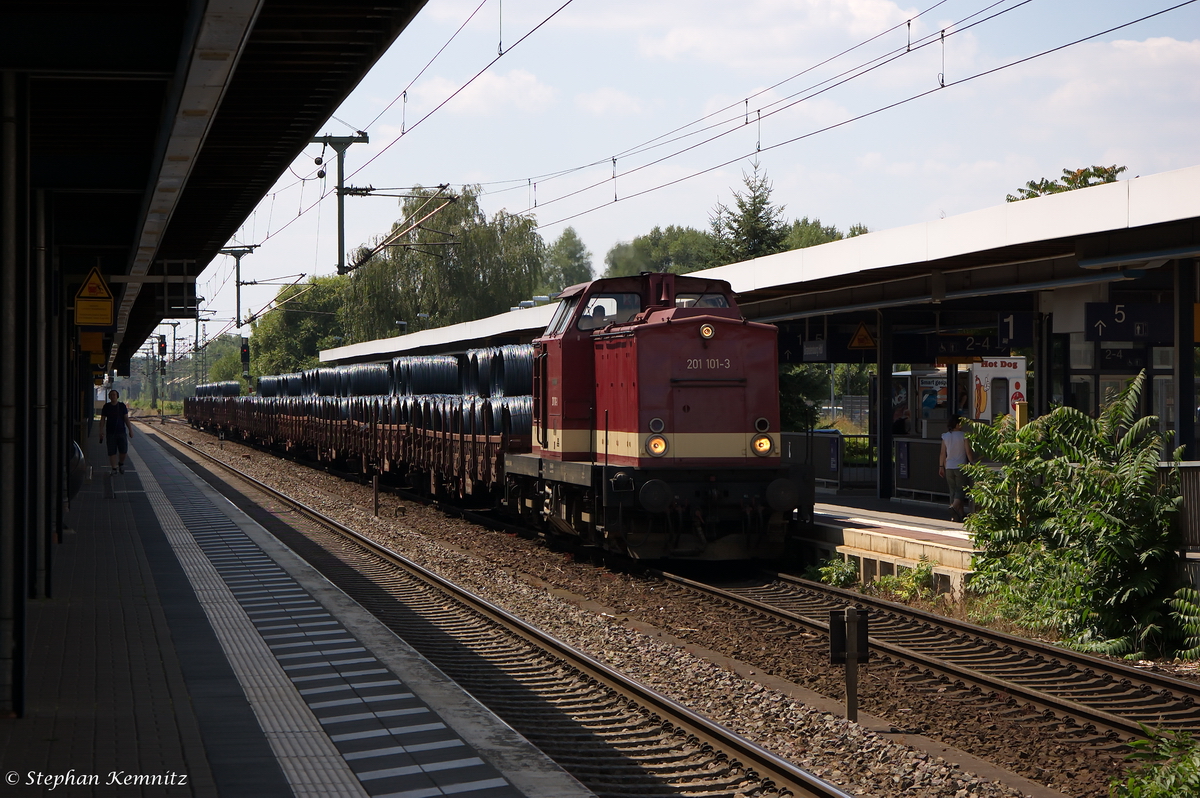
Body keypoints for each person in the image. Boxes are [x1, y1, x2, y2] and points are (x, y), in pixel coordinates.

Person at [938, 415, 973, 522]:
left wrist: (941, 466)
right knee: (961, 489)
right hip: (960, 466)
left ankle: (958, 515)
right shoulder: (964, 436)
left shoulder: (945, 436)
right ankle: (954, 507)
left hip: (948, 466)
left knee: (952, 491)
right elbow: (968, 452)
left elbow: (942, 453)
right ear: (957, 425)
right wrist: (973, 462)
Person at [99, 389, 133, 474]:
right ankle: (114, 468)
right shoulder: (106, 407)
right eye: (111, 395)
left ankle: (120, 463)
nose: (113, 396)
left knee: (123, 451)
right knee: (112, 451)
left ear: (117, 396)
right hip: (110, 433)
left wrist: (130, 430)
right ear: (109, 397)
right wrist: (101, 430)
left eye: (114, 395)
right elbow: (102, 419)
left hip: (121, 431)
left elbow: (126, 419)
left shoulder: (122, 406)